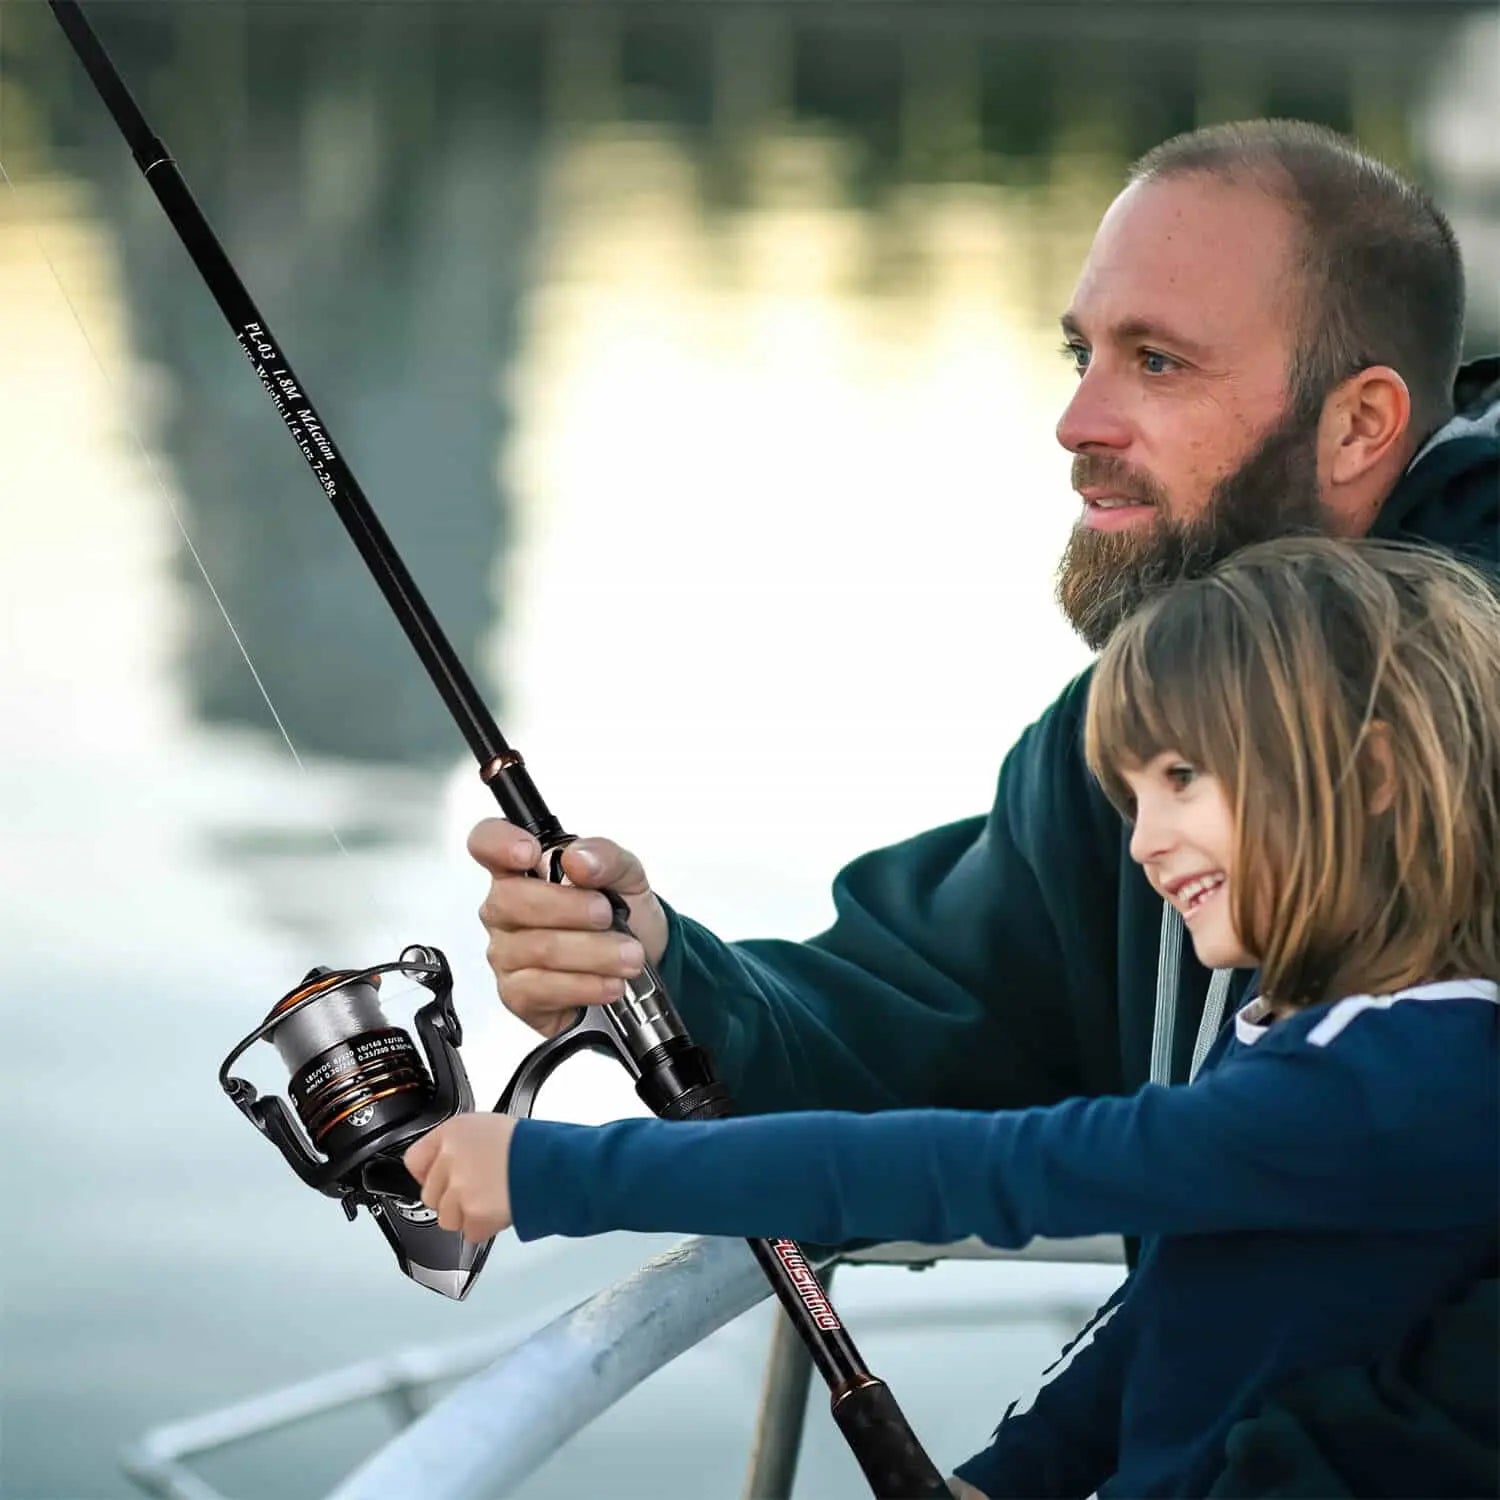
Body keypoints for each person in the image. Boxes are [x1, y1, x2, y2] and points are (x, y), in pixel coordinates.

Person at [469, 120, 1500, 1491]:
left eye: (1158, 361)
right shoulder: (1124, 736)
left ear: (1362, 420)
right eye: (1083, 356)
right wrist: (660, 971)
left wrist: (540, 1175)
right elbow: (938, 1030)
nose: (1078, 423)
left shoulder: (1453, 716)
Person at [408, 537, 1500, 1498]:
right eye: (1134, 796)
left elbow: (979, 1168)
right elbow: (1182, 1307)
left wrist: (552, 1173)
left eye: (1183, 779)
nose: (1144, 843)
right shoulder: (1309, 1025)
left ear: (1375, 774)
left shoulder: (1403, 1078)